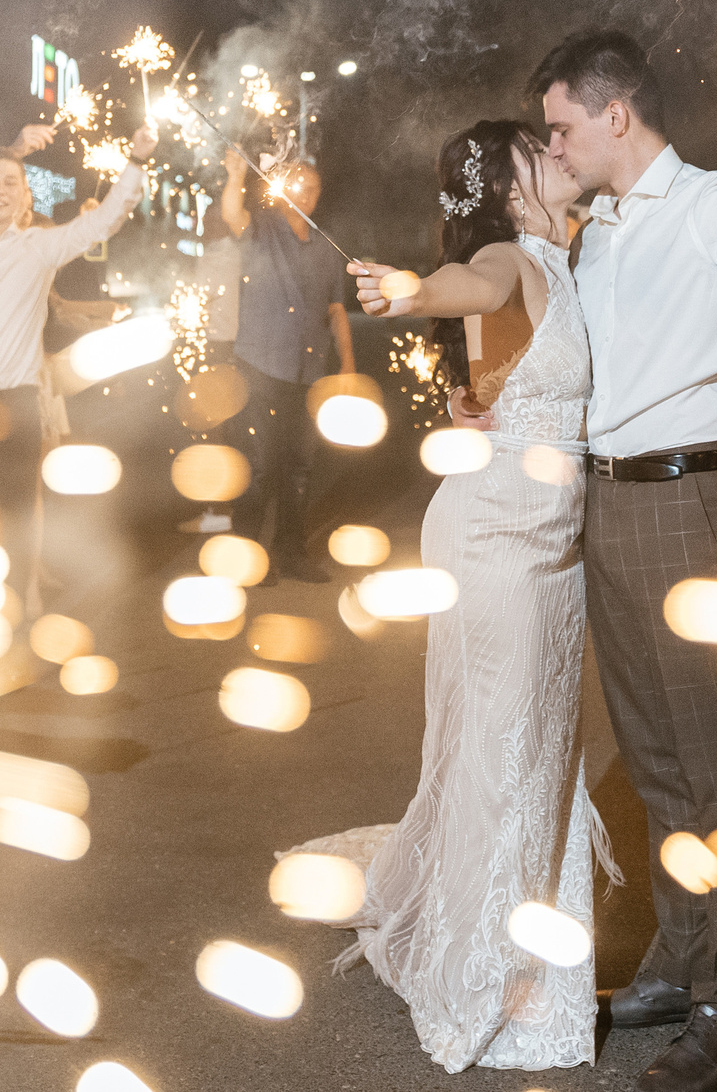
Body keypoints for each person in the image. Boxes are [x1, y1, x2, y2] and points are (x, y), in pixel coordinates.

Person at [487, 29, 717, 1092]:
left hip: (687, 498)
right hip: (607, 504)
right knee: (655, 759)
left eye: (561, 126)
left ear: (617, 114)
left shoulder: (712, 204)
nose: (553, 146)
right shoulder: (597, 226)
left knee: (716, 758)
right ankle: (682, 959)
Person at [305, 120, 610, 1071]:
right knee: (506, 745)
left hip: (550, 538)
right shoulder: (504, 254)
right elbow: (465, 287)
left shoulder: (570, 252)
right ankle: (488, 971)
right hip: (494, 534)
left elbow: (500, 364)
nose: (560, 152)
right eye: (539, 147)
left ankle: (520, 943)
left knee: (538, 743)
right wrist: (411, 289)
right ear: (509, 183)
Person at [0, 129, 156, 591]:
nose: (0, 191)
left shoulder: (39, 248)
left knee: (19, 513)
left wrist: (136, 159)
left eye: (10, 183)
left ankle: (19, 610)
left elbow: (102, 223)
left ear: (23, 196)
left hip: (18, 403)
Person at [219, 147, 357, 582]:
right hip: (259, 365)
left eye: (313, 187)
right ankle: (245, 559)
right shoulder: (261, 229)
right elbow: (231, 214)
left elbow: (336, 309)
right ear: (282, 190)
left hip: (308, 371)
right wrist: (235, 175)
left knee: (298, 466)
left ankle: (292, 555)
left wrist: (348, 363)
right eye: (297, 184)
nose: (306, 193)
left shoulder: (326, 246)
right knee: (257, 464)